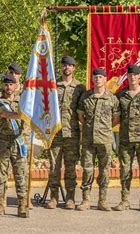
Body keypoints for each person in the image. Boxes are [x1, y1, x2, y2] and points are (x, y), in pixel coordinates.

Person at [77, 68, 120, 211]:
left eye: (100, 77)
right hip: (89, 139)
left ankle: (103, 200)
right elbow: (81, 116)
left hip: (105, 140)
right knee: (88, 170)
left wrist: (105, 127)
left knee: (104, 171)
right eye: (95, 77)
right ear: (93, 79)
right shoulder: (85, 96)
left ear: (105, 79)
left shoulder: (112, 98)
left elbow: (116, 119)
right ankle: (86, 200)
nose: (97, 79)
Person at [46, 56, 85, 209]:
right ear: (61, 67)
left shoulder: (79, 88)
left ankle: (70, 198)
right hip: (55, 132)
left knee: (70, 167)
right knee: (54, 167)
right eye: (64, 65)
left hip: (72, 133)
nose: (67, 68)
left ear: (74, 68)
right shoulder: (53, 85)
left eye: (70, 65)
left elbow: (82, 110)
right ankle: (54, 197)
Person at [0, 74, 29, 218]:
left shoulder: (23, 101)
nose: (8, 87)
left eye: (11, 84)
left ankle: (22, 206)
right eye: (6, 85)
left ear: (16, 85)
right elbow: (5, 114)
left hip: (19, 142)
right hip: (2, 143)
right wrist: (23, 115)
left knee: (21, 175)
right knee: (1, 176)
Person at [113, 64, 140, 212]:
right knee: (125, 171)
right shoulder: (120, 95)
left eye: (135, 75)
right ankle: (124, 200)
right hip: (125, 139)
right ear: (128, 76)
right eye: (130, 75)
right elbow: (115, 117)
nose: (133, 77)